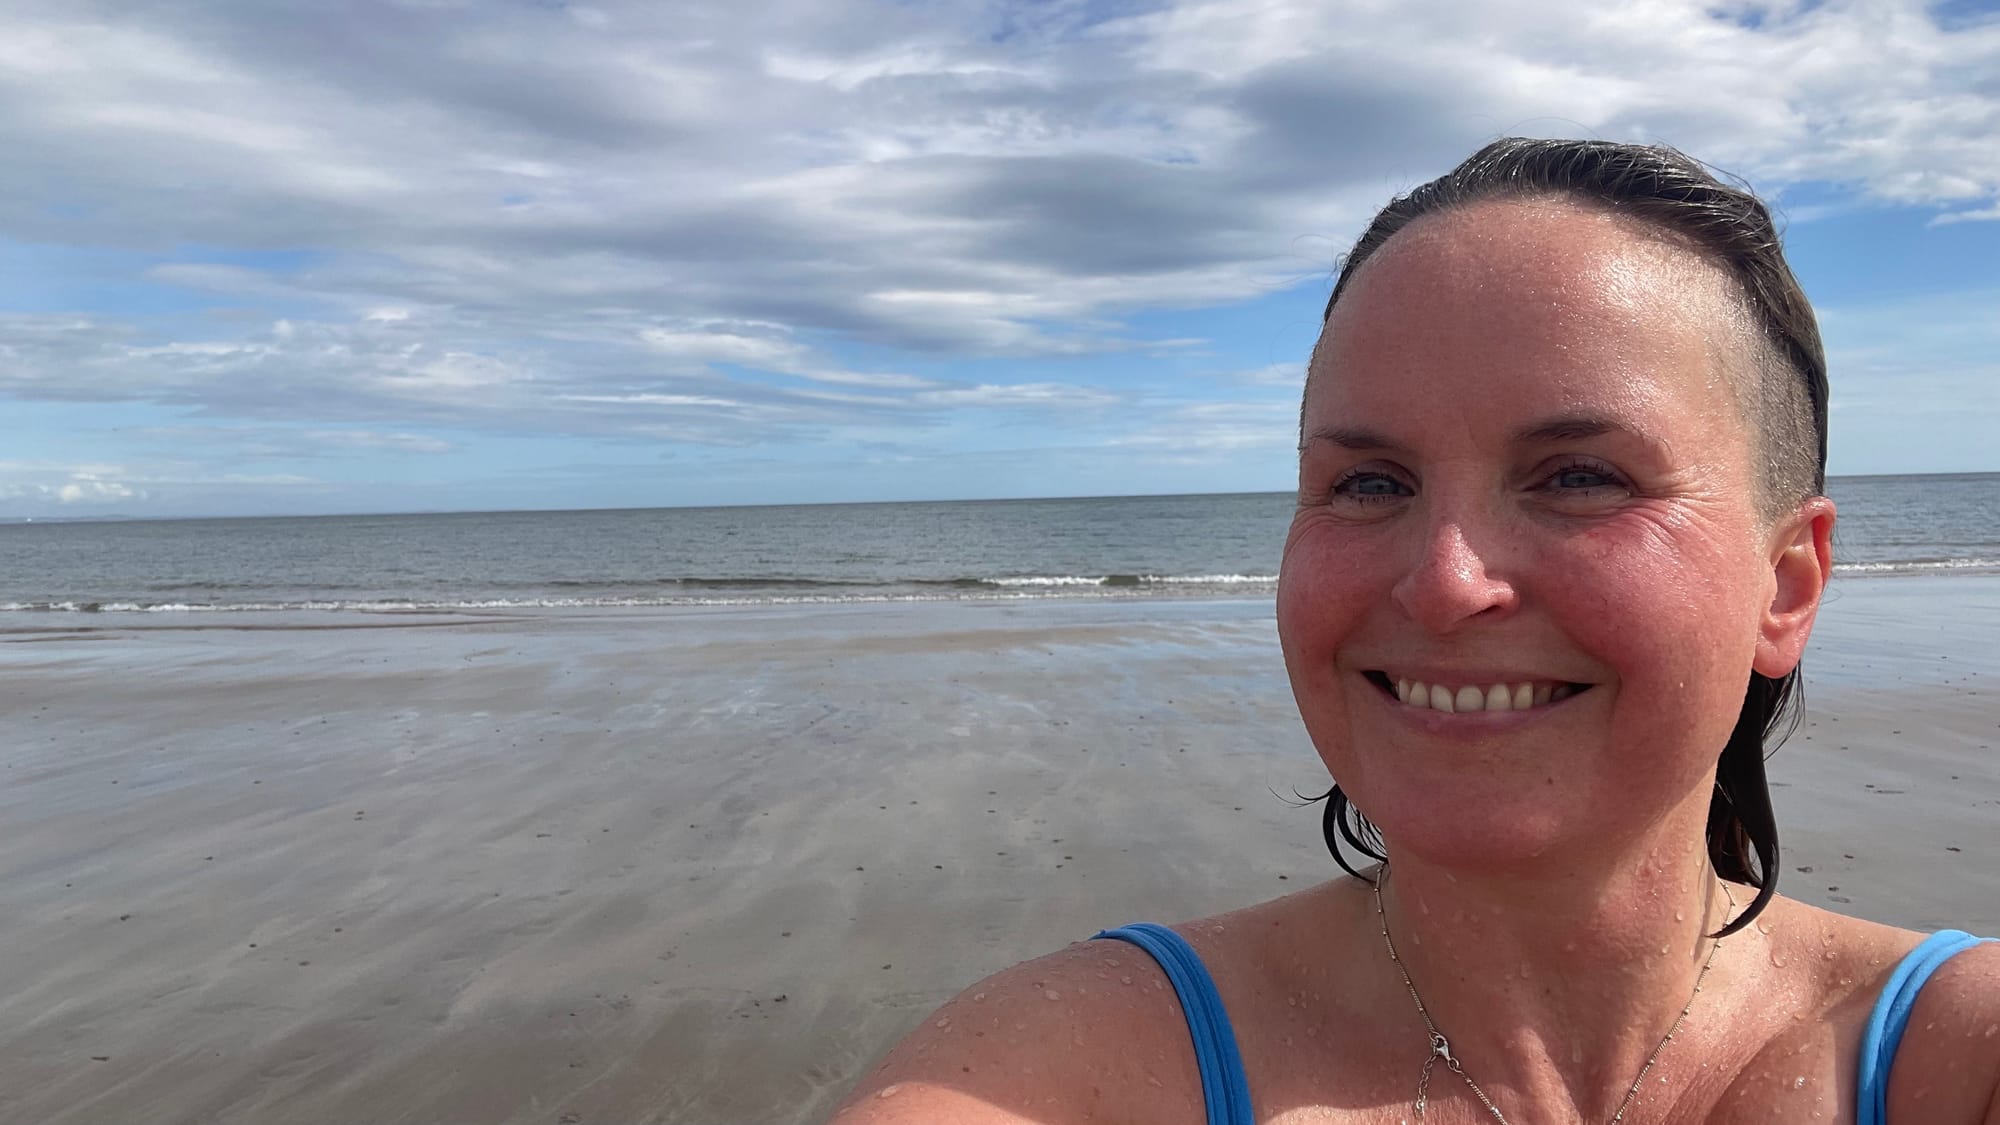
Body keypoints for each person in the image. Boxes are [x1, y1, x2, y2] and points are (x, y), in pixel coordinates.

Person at [827, 138, 2000, 1124]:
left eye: (1579, 475)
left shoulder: (1949, 1058)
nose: (1444, 585)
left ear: (1785, 583)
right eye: (1370, 483)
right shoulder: (1079, 1072)